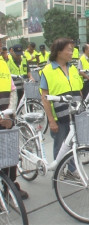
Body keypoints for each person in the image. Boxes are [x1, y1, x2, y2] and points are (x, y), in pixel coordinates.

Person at [40, 38, 83, 169]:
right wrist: (51, 120)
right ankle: (59, 171)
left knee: (74, 144)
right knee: (60, 145)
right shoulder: (47, 71)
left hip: (75, 114)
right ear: (59, 52)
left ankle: (71, 169)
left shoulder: (73, 69)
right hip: (59, 116)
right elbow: (45, 97)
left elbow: (79, 91)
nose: (72, 53)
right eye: (69, 50)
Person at [0, 37, 29, 200]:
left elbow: (12, 90)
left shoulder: (2, 63)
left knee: (9, 155)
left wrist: (9, 113)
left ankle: (10, 185)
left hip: (5, 118)